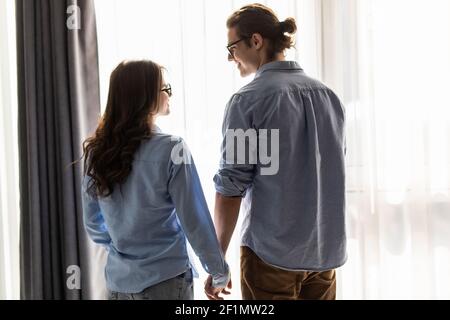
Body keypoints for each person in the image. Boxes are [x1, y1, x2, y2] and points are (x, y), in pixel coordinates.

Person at [204, 4, 347, 300]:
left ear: (256, 41)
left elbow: (231, 186)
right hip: (324, 257)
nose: (230, 57)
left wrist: (217, 259)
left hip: (270, 256)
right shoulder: (329, 97)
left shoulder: (248, 101)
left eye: (232, 47)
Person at [81, 60, 229, 300]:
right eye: (165, 88)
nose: (169, 94)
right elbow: (195, 220)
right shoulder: (173, 149)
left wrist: (124, 249)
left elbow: (93, 224)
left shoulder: (96, 152)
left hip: (119, 283)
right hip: (165, 281)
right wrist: (218, 271)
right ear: (146, 96)